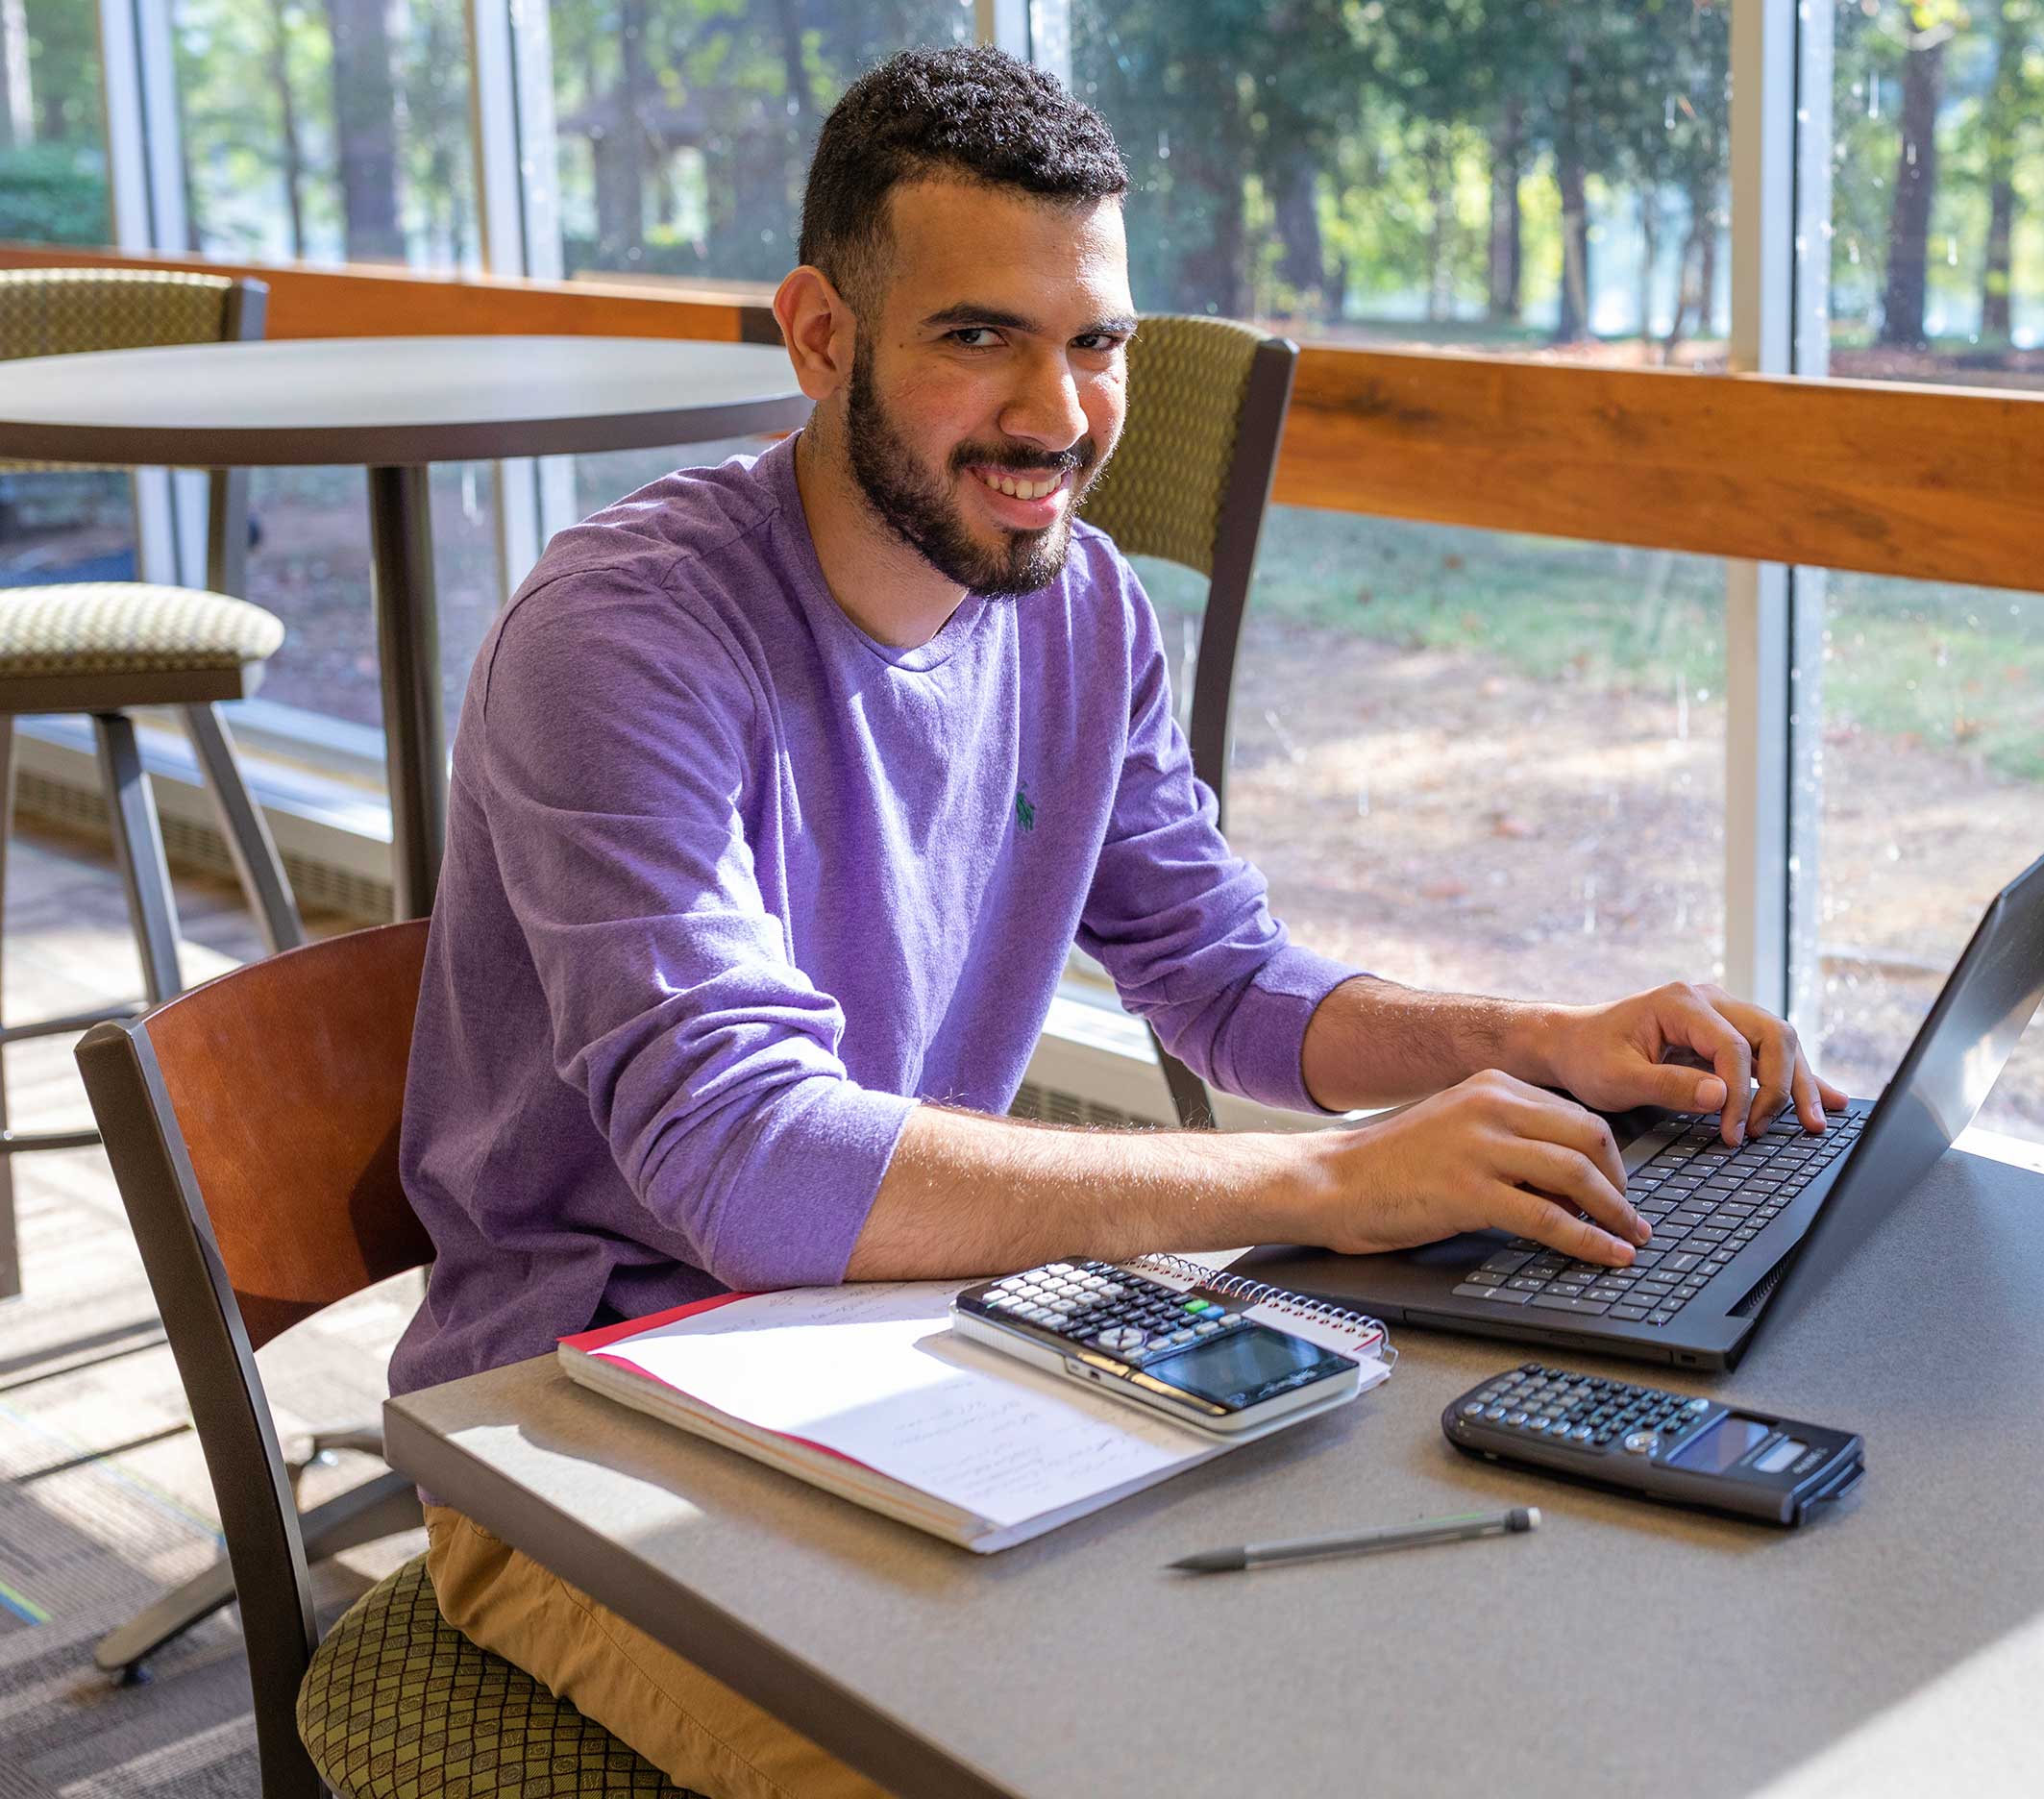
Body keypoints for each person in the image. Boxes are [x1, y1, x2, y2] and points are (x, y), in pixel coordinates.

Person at [393, 44, 1841, 1799]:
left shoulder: (1080, 607)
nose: (1061, 415)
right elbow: (755, 1170)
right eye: (978, 335)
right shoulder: (624, 640)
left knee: (1348, 1684)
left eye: (1096, 343)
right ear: (822, 333)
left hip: (910, 1349)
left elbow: (1227, 981)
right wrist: (1323, 1181)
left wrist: (1528, 1042)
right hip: (573, 1431)